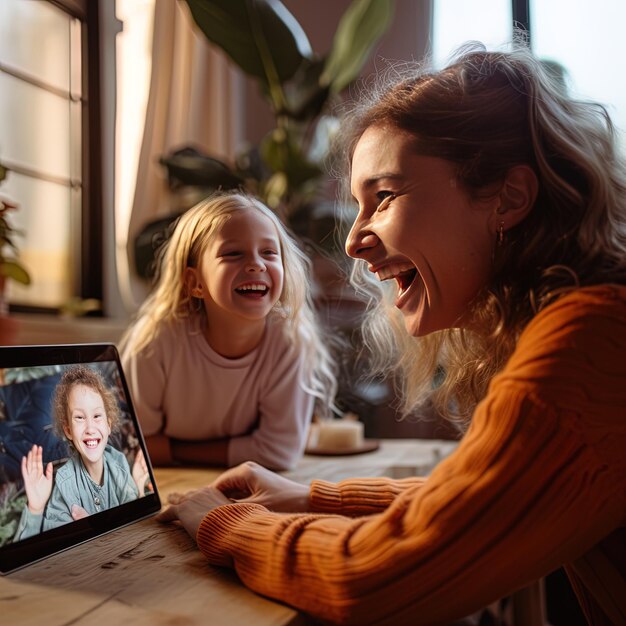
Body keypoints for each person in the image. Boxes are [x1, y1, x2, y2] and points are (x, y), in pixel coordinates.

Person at [155, 43, 626, 625]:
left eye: (383, 197)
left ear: (509, 197)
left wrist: (223, 522)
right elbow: (475, 503)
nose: (352, 241)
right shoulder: (596, 323)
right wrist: (312, 497)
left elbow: (374, 579)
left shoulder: (587, 346)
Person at [120, 192, 337, 471]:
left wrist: (172, 448)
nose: (257, 264)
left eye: (269, 253)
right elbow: (132, 444)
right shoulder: (156, 341)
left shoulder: (290, 340)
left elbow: (279, 453)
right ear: (195, 282)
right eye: (233, 253)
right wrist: (243, 448)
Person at [15, 365, 150, 541]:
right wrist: (35, 509)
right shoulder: (65, 483)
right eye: (79, 417)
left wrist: (139, 489)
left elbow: (135, 528)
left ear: (108, 425)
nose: (90, 428)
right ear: (68, 430)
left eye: (97, 416)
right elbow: (49, 551)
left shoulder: (119, 462)